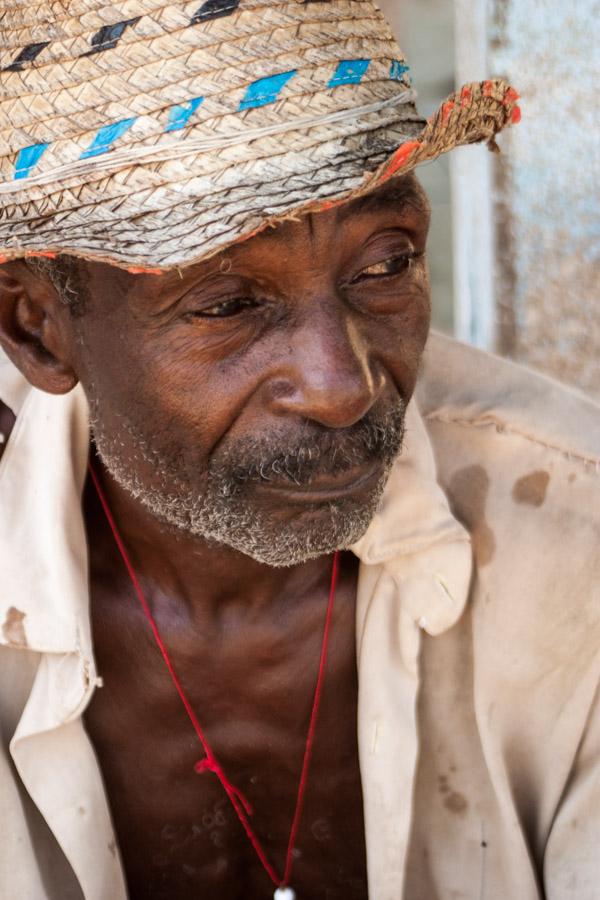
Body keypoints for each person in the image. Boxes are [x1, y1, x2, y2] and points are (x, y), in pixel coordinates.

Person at [0, 2, 598, 900]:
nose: (341, 385)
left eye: (385, 264)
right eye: (229, 303)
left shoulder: (575, 529)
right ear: (39, 332)